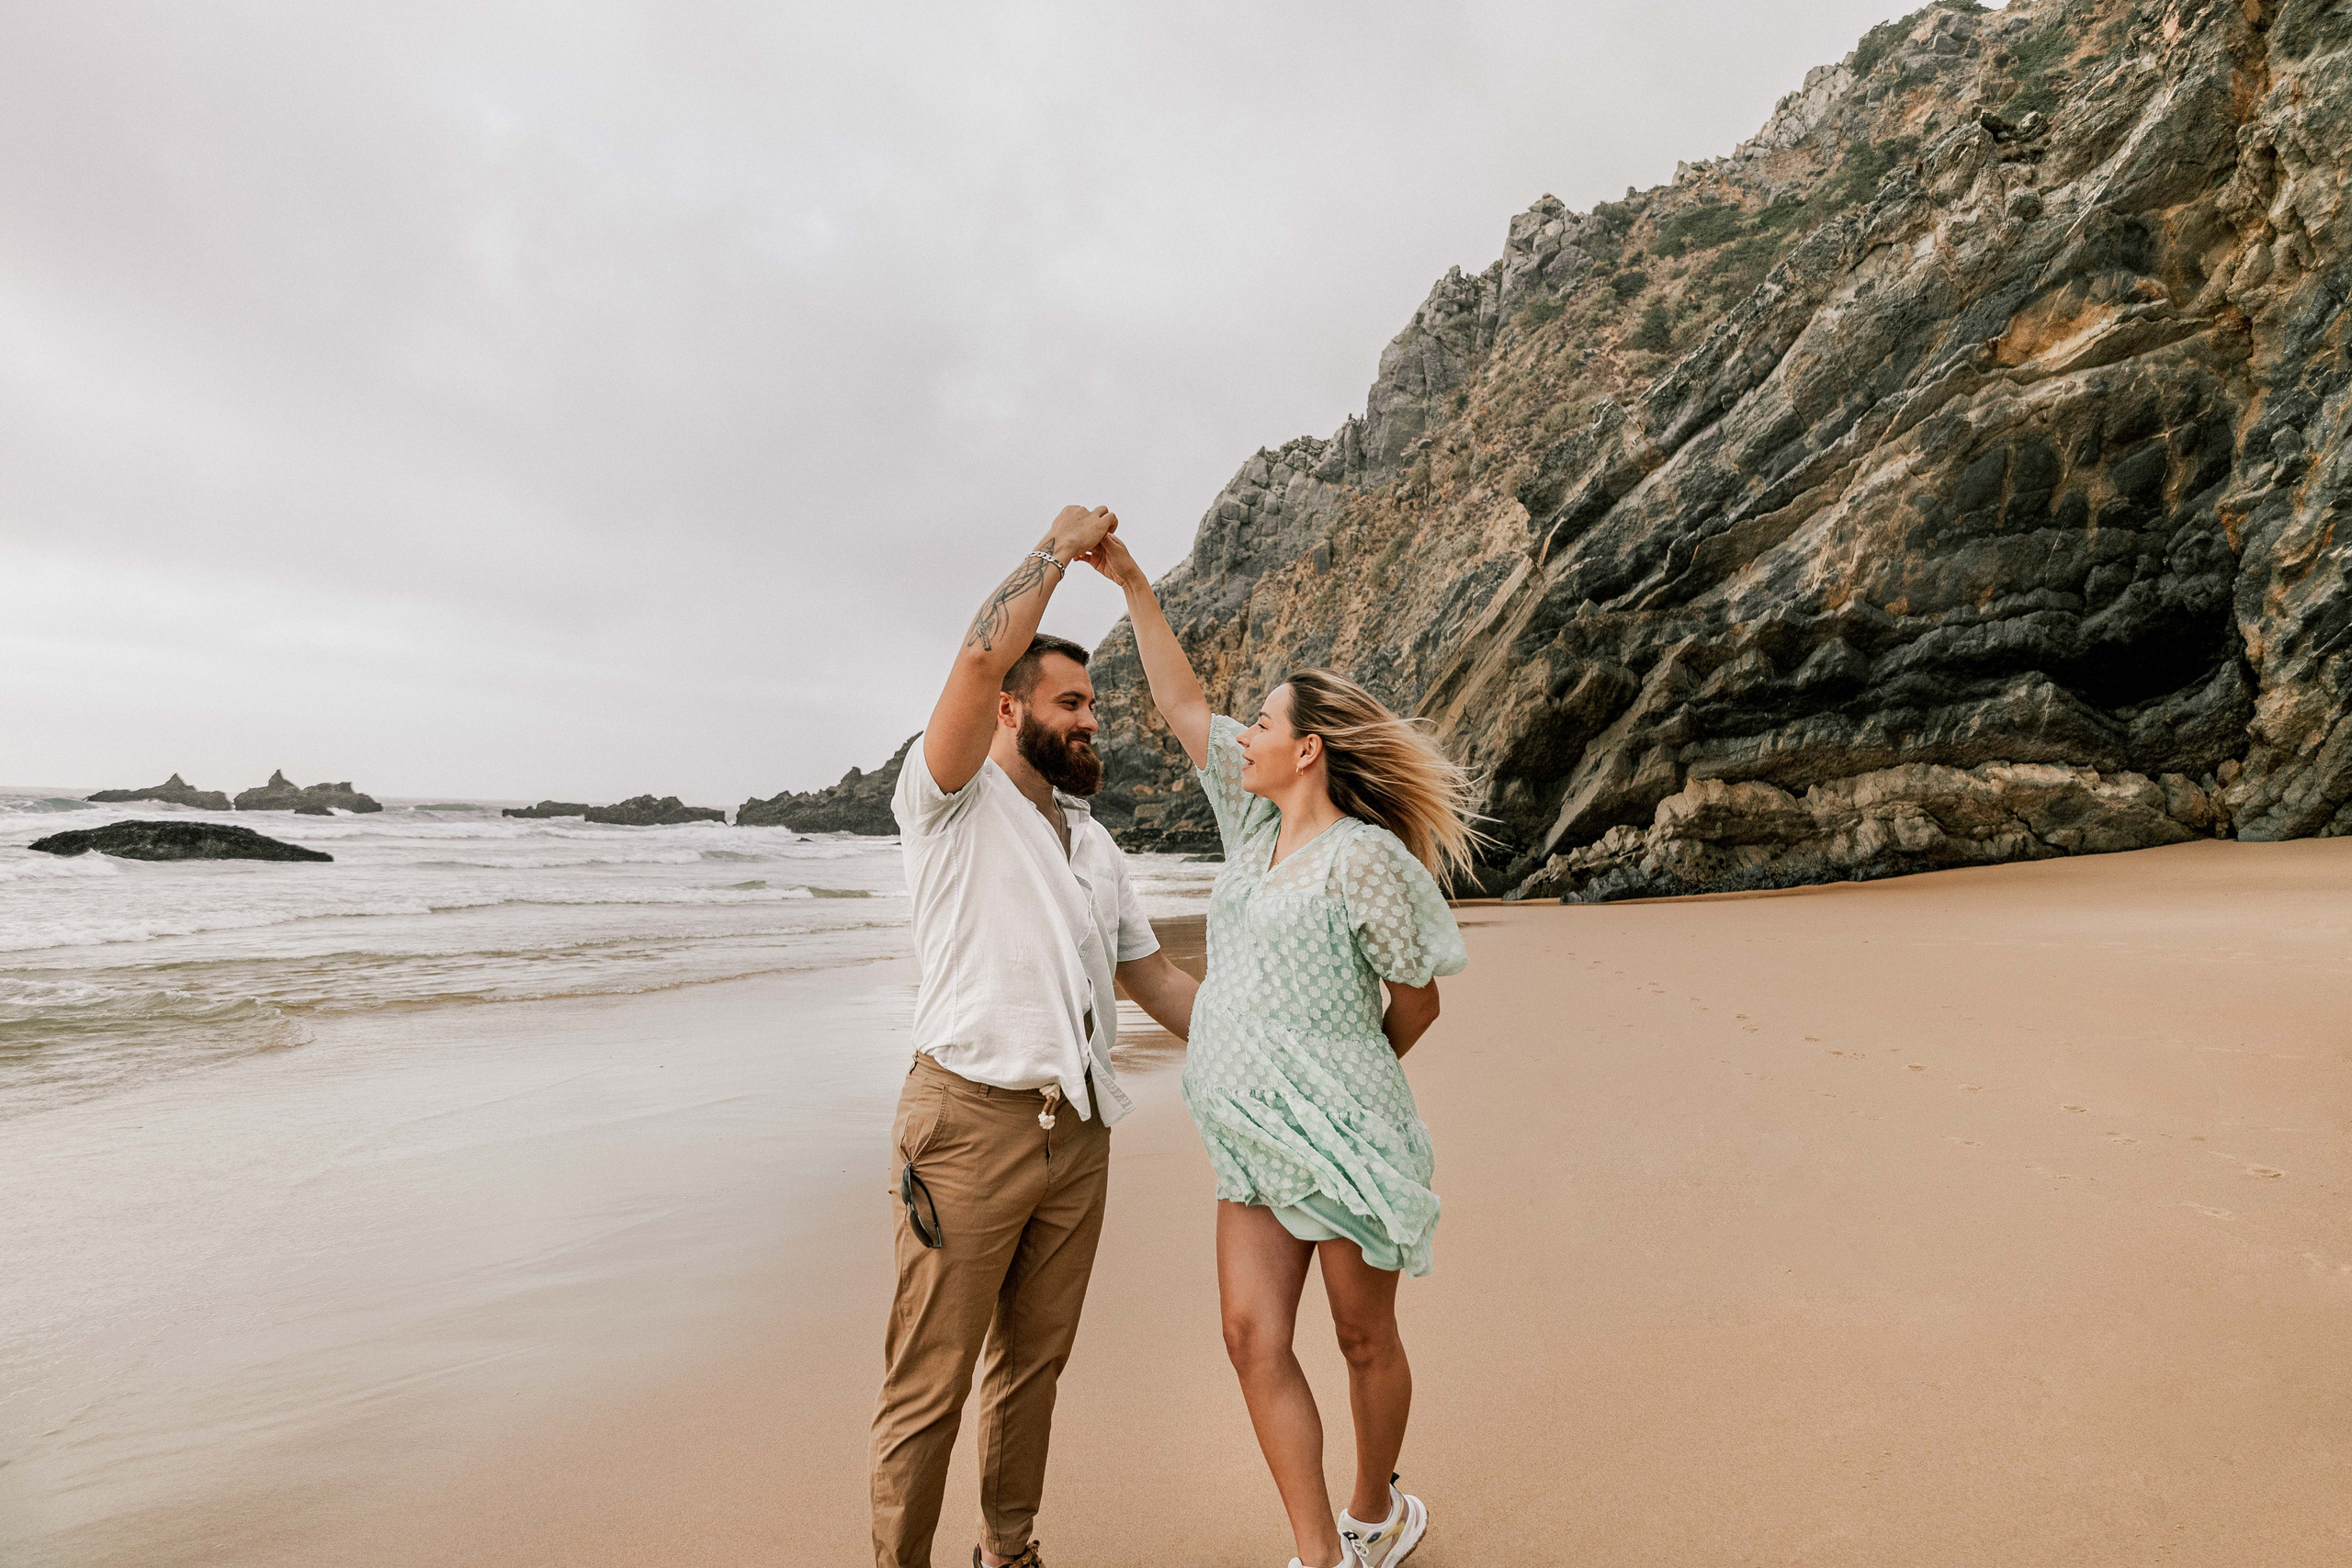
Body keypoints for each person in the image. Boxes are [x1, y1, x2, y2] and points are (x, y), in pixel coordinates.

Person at [1082, 535, 1477, 1568]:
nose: (1242, 734)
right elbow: (1178, 706)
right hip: (1251, 1143)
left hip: (1344, 1132)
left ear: (1307, 748)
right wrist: (1131, 584)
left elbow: (1416, 1004)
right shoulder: (1249, 833)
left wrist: (1336, 1066)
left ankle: (1375, 1513)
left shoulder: (1369, 863)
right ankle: (1319, 1555)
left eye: (1262, 721)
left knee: (1359, 1340)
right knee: (1252, 1340)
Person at [870, 504, 1202, 1568]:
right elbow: (975, 655)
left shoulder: (1092, 843)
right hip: (965, 1127)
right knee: (929, 1386)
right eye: (1069, 702)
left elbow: (1146, 974)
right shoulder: (949, 801)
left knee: (1032, 1369)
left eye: (1093, 703)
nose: (1090, 719)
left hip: (1079, 1136)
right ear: (1011, 710)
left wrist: (1266, 1037)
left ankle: (1007, 1556)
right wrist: (1057, 553)